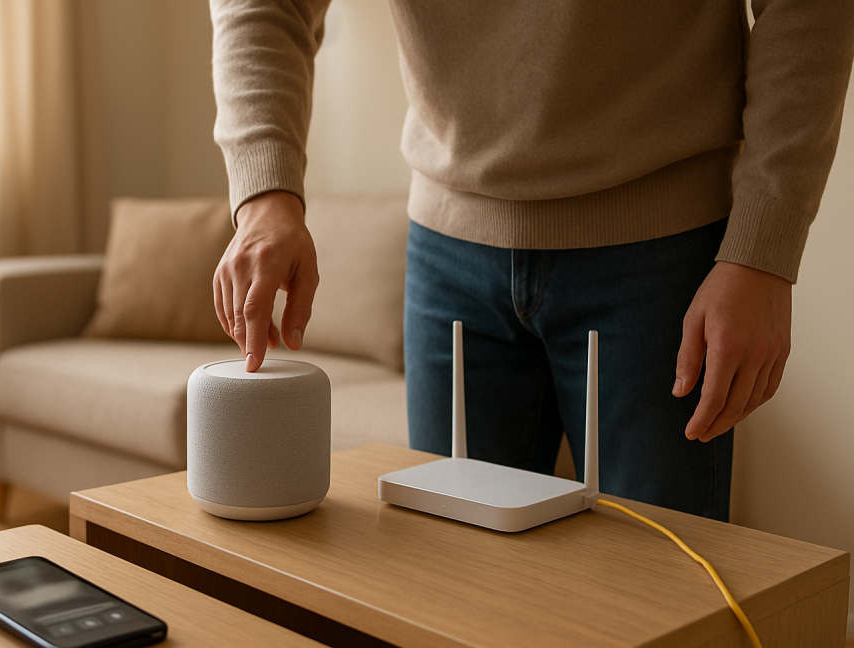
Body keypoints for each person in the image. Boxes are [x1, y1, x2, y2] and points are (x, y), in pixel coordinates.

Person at [208, 1, 854, 520]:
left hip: (661, 252)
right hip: (448, 253)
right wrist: (265, 197)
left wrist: (763, 253)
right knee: (452, 587)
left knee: (661, 595)